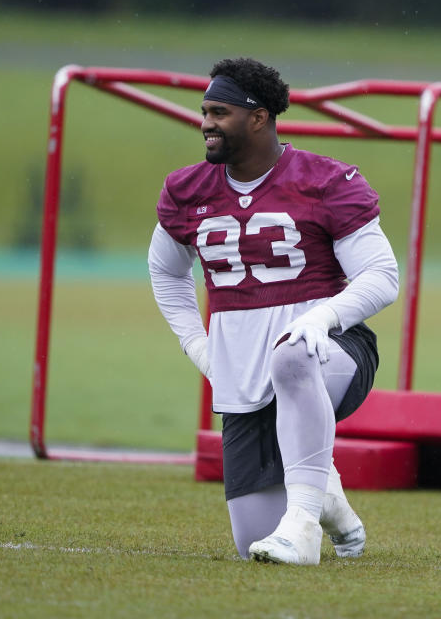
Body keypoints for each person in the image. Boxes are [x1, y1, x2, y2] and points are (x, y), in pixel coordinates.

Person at [148, 57, 399, 565]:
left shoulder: (325, 180)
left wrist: (321, 319)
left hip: (330, 352)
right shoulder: (187, 190)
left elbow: (382, 276)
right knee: (250, 543)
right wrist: (198, 345)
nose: (206, 123)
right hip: (240, 371)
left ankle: (304, 526)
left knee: (292, 358)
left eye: (220, 112)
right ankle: (327, 498)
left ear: (258, 117)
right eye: (204, 111)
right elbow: (167, 273)